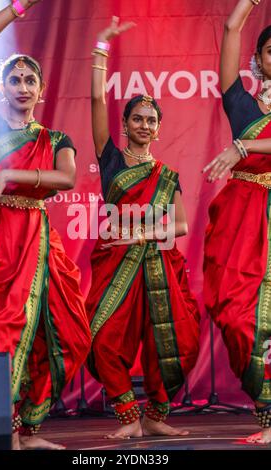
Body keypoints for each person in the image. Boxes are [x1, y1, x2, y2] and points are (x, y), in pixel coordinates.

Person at [0, 0, 91, 450]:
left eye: (30, 80)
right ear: (1, 89)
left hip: (37, 239)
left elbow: (67, 178)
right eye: (14, 79)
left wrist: (9, 175)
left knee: (69, 332)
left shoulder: (56, 138)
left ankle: (29, 426)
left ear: (42, 90)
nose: (22, 86)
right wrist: (19, 7)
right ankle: (6, 431)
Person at [86, 17, 200, 439]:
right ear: (126, 123)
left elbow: (183, 224)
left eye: (152, 120)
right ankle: (127, 418)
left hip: (159, 262)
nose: (145, 125)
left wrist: (143, 234)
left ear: (159, 127)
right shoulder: (110, 159)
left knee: (173, 343)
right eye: (138, 118)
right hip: (116, 263)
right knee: (103, 337)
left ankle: (154, 414)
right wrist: (102, 47)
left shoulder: (167, 175)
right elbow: (97, 99)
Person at [203, 0, 271, 445]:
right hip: (243, 219)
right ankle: (264, 406)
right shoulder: (241, 102)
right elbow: (230, 29)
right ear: (260, 59)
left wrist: (243, 150)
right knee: (235, 313)